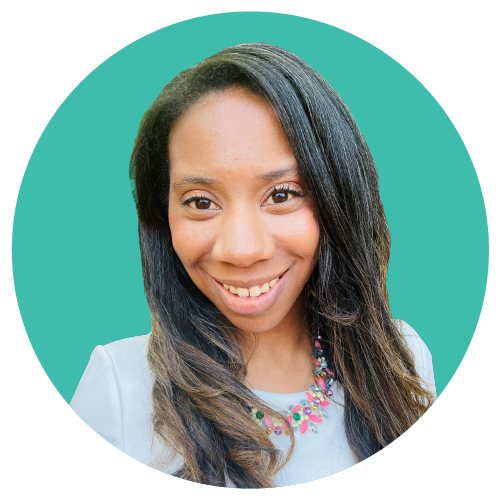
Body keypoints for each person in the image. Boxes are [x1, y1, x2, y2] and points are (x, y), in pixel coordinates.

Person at [70, 43, 436, 488]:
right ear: (162, 217)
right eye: (200, 202)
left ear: (338, 197)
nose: (242, 250)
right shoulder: (118, 389)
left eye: (282, 195)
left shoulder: (402, 360)